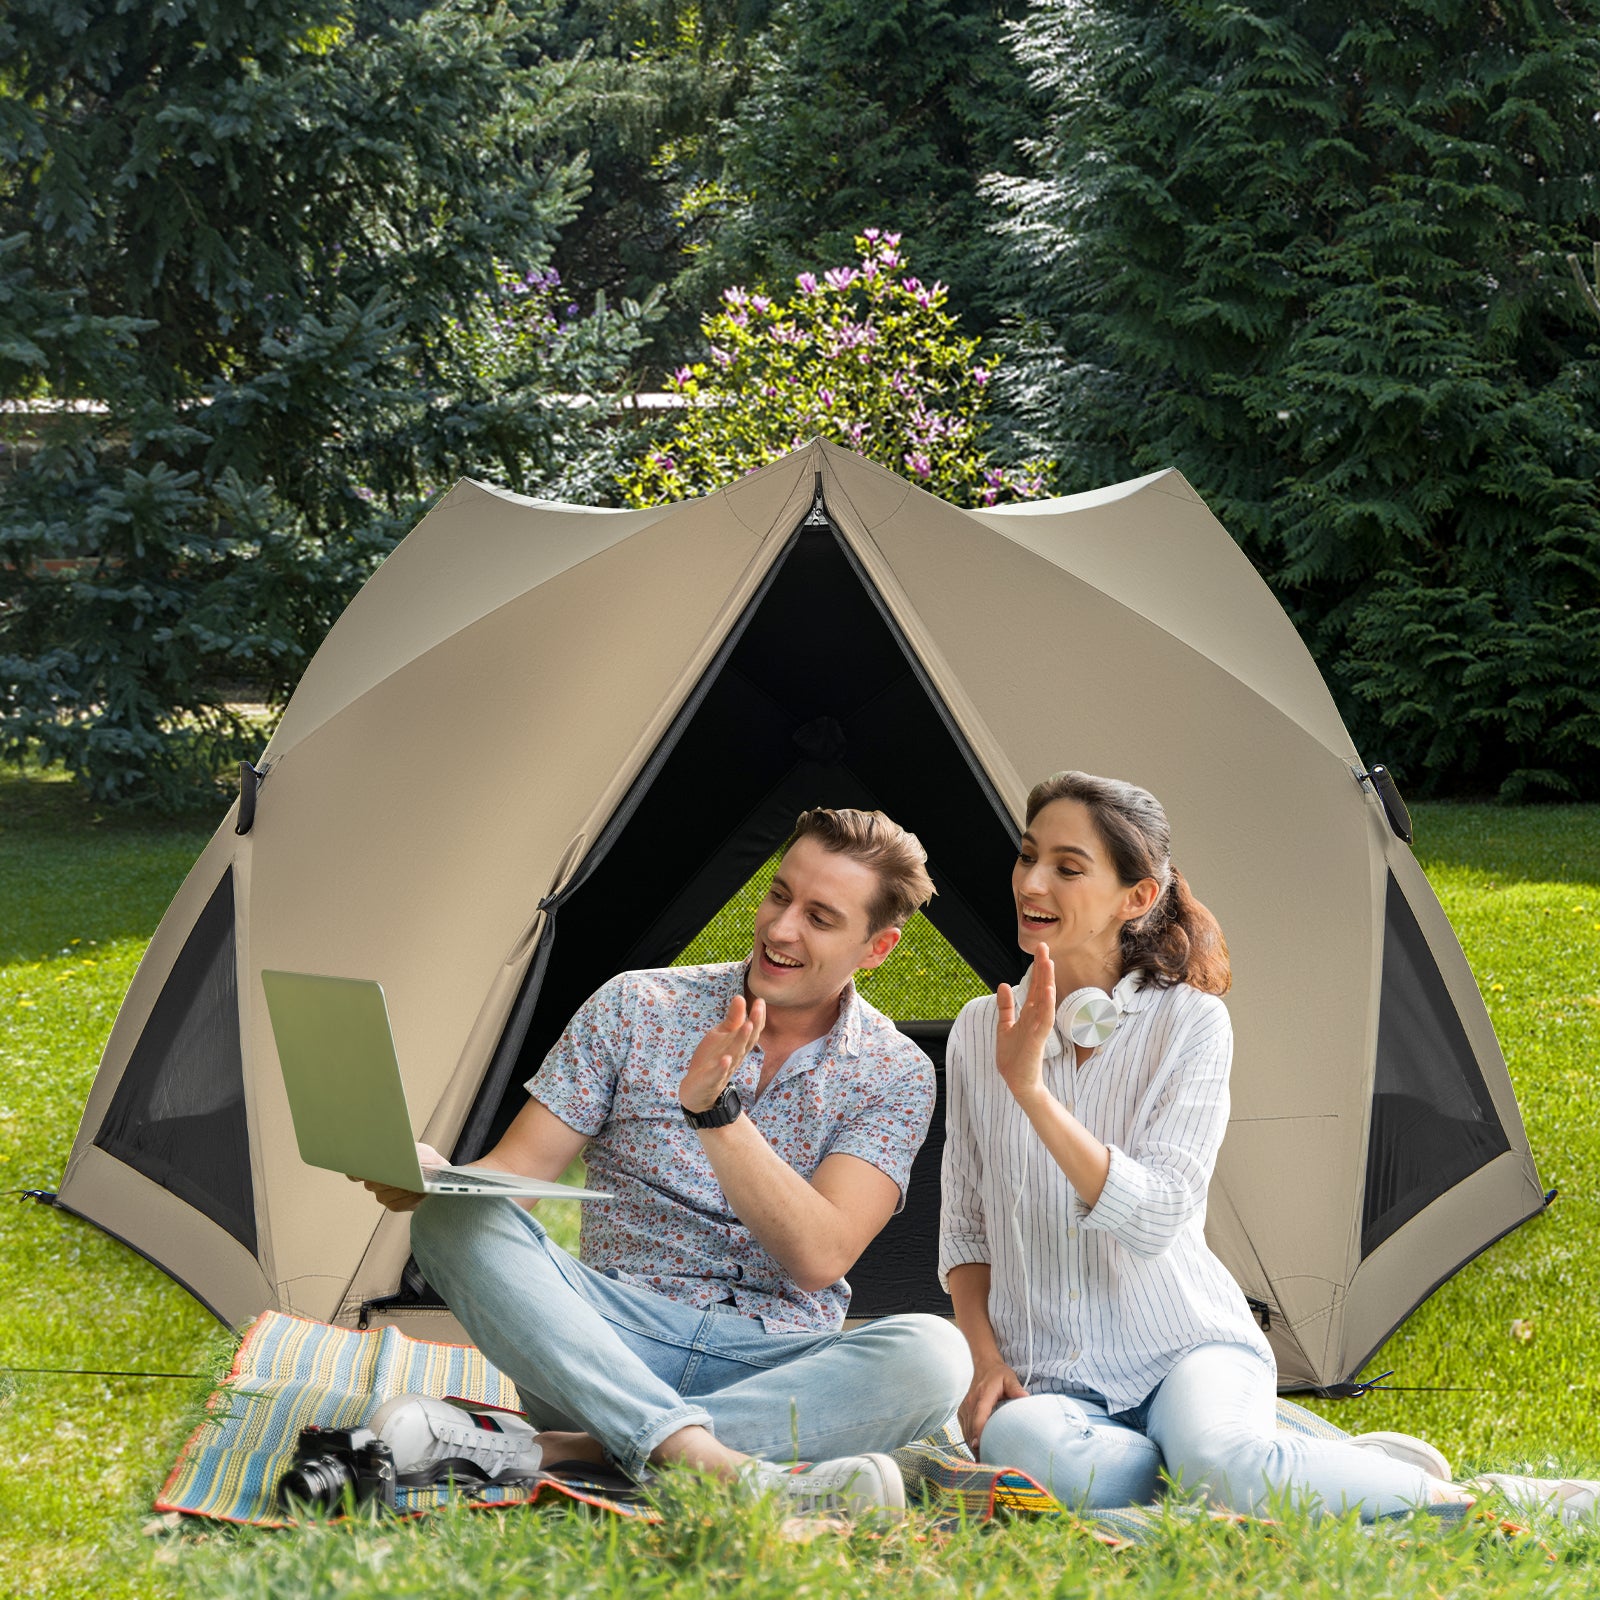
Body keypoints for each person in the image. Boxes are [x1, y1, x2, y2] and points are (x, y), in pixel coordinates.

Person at [939, 770, 1512, 1521]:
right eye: (1026, 856)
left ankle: (1465, 1498)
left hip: (1184, 1346)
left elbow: (1156, 1216)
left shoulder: (1191, 1024)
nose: (1031, 882)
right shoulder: (981, 1028)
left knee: (1212, 1459)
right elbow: (966, 1227)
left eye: (1067, 867)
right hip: (1049, 1377)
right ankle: (1301, 1467)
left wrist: (1034, 1096)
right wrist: (984, 1358)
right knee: (1026, 1450)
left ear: (1138, 897)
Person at [365, 806, 971, 1516]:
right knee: (450, 1224)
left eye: (820, 917)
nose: (779, 929)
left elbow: (821, 1256)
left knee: (935, 1355)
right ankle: (730, 1472)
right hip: (605, 1343)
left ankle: (572, 1451)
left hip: (776, 1363)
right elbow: (515, 1182)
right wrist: (439, 1178)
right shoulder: (634, 1005)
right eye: (779, 895)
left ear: (878, 948)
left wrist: (716, 1115)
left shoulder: (894, 1071)